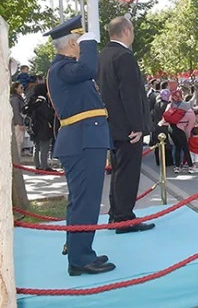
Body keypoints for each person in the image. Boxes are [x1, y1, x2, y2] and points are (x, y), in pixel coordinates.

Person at [44, 15, 115, 275]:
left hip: (84, 139)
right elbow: (88, 69)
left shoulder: (65, 69)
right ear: (73, 43)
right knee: (85, 201)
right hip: (82, 141)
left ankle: (80, 250)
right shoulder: (63, 69)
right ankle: (80, 257)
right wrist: (90, 42)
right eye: (80, 42)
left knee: (83, 200)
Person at [97, 16, 154, 234]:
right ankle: (124, 218)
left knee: (118, 172)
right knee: (127, 174)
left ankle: (116, 214)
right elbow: (129, 94)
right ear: (127, 31)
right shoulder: (124, 56)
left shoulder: (103, 55)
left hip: (112, 125)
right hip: (128, 128)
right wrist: (137, 126)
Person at [23, 83, 55, 171]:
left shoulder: (32, 100)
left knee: (36, 147)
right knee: (44, 146)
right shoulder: (42, 102)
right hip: (43, 127)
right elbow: (48, 114)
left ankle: (37, 165)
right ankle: (44, 166)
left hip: (34, 127)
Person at [164, 90, 196, 173]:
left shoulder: (170, 105)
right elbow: (191, 103)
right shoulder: (185, 105)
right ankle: (190, 166)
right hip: (180, 129)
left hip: (171, 128)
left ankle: (177, 167)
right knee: (185, 148)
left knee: (177, 147)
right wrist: (195, 93)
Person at [151, 89, 173, 168]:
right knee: (166, 144)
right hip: (165, 126)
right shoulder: (168, 105)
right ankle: (167, 161)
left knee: (157, 144)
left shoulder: (157, 103)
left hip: (156, 126)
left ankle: (158, 161)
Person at [10, 81, 26, 158]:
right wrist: (20, 123)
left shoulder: (19, 98)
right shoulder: (15, 99)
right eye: (21, 87)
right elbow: (16, 111)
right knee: (18, 143)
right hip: (17, 123)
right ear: (16, 88)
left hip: (19, 121)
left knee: (19, 142)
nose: (23, 89)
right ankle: (17, 161)